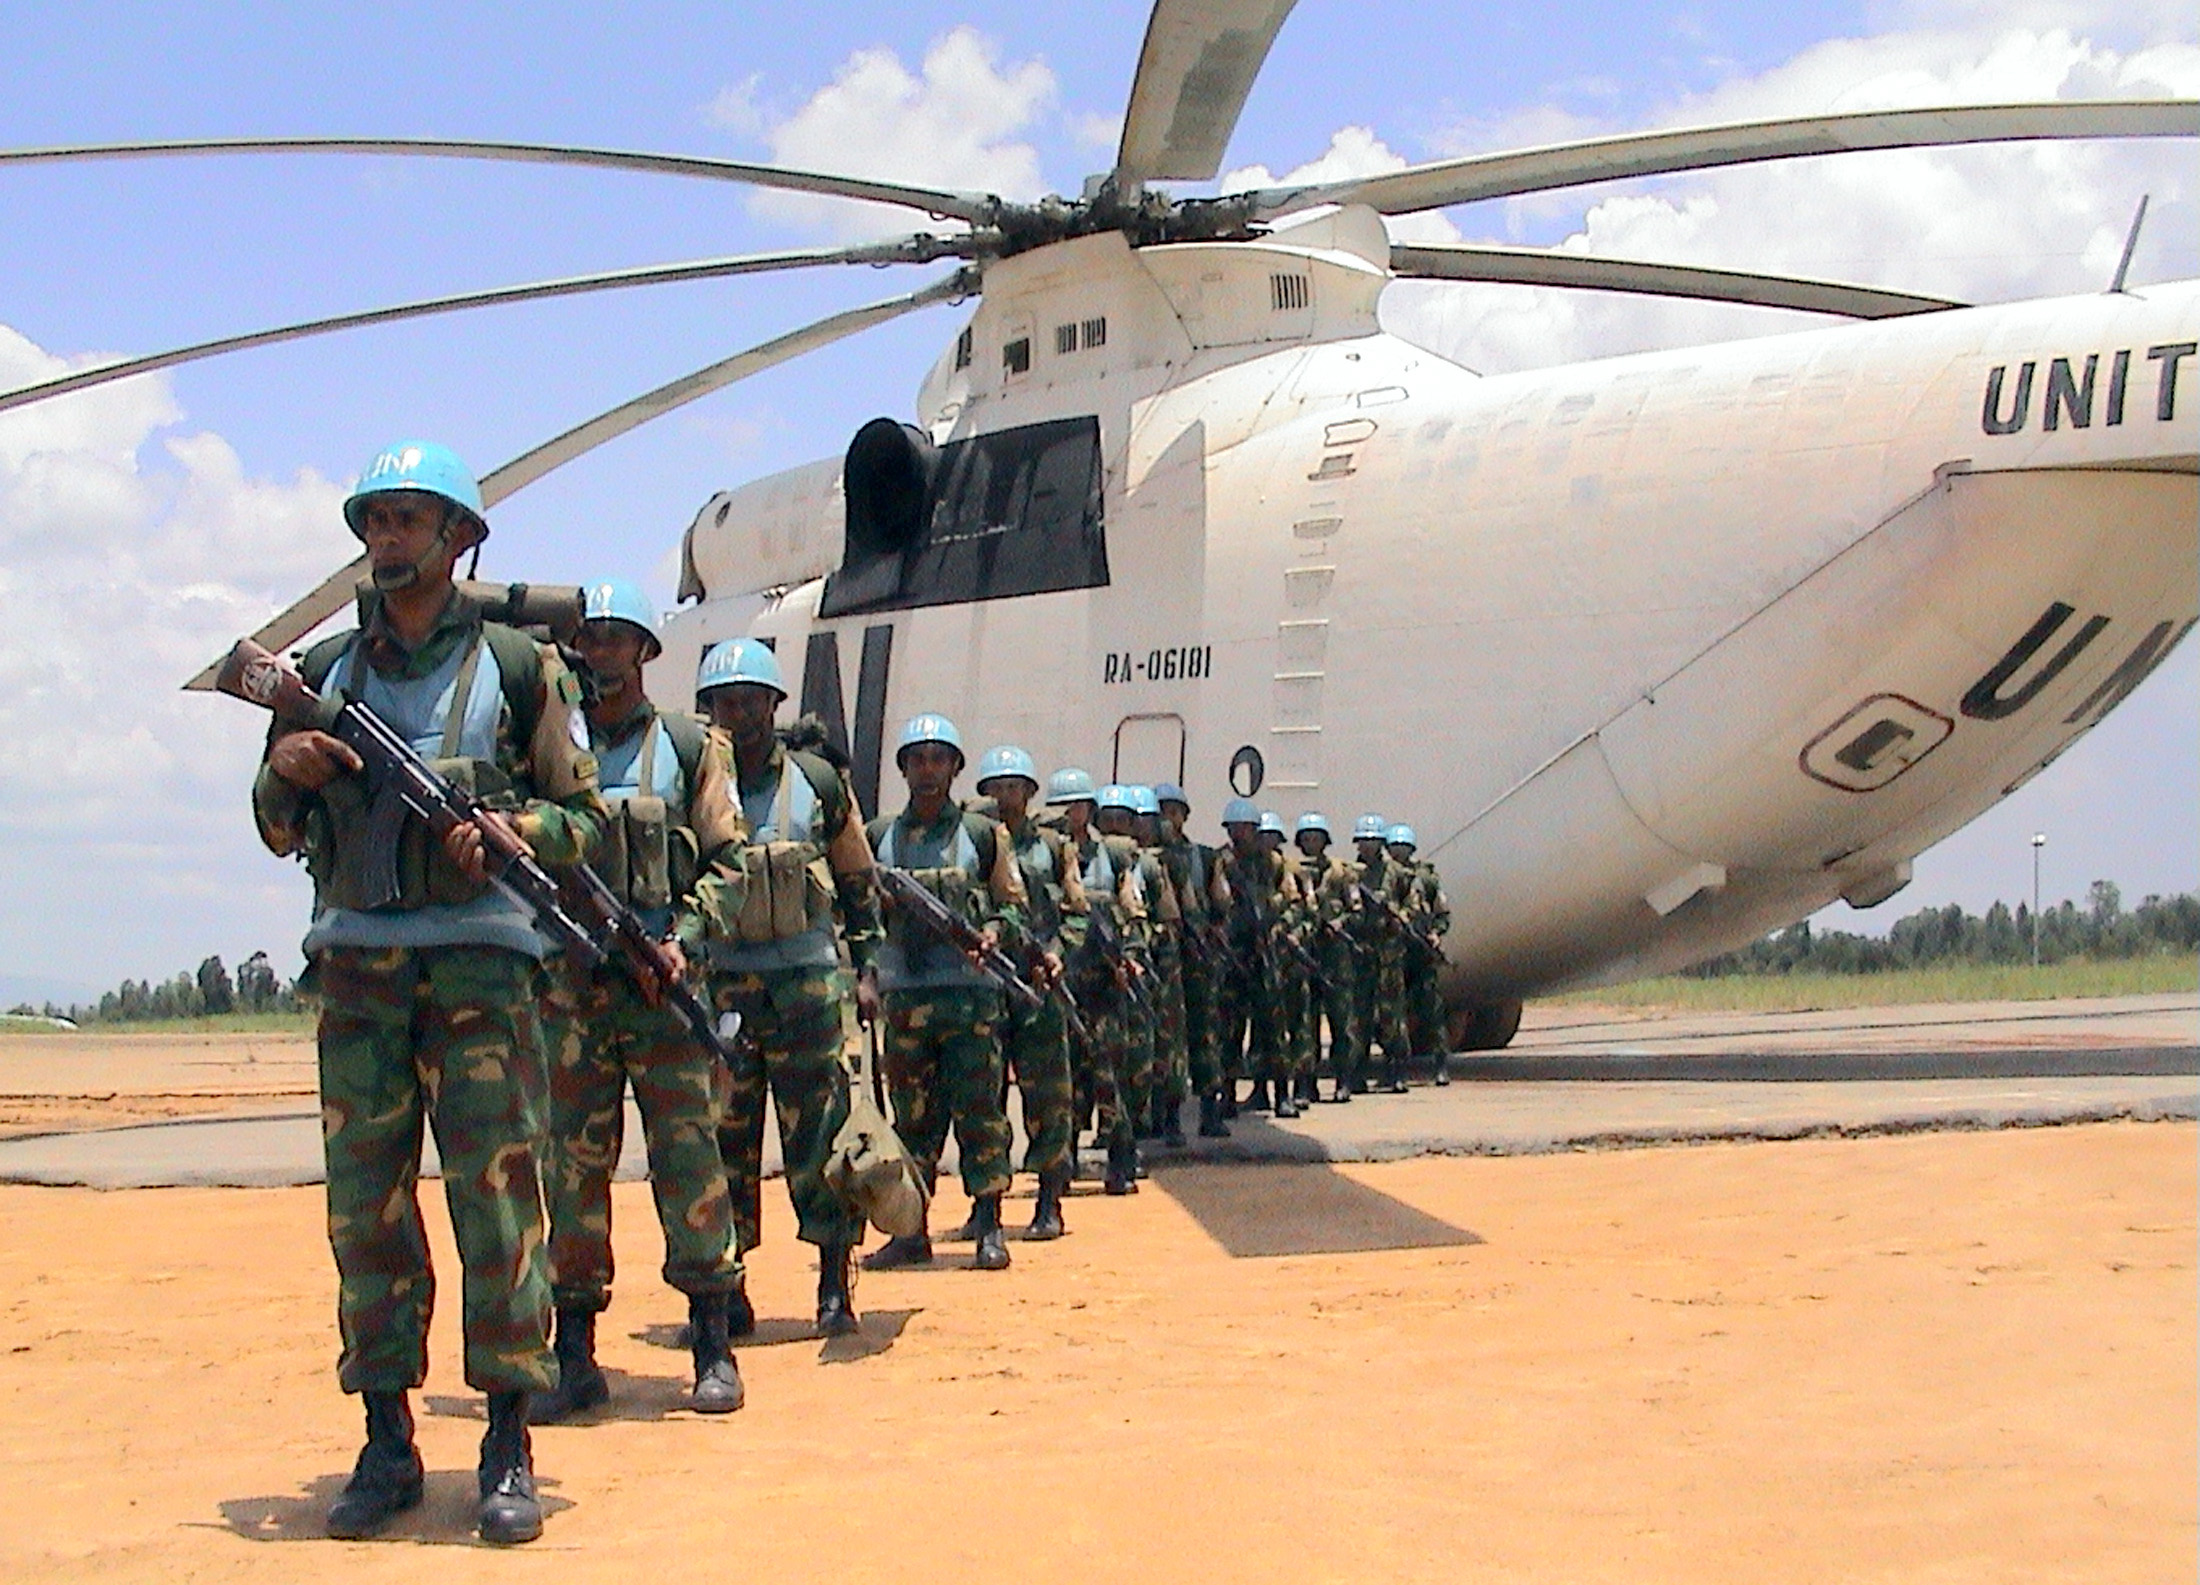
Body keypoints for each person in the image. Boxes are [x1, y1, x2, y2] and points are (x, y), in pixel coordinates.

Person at [250, 440, 605, 1545]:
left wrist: (512, 831)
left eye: (410, 521)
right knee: (368, 1212)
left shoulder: (518, 666)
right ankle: (387, 1436)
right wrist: (286, 768)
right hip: (357, 969)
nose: (386, 540)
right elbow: (274, 829)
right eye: (376, 520)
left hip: (481, 972)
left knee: (498, 1202)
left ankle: (506, 1435)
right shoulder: (329, 674)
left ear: (461, 540)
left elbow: (582, 821)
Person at [531, 580, 744, 1424]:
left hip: (663, 989)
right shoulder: (550, 743)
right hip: (573, 991)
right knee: (572, 1172)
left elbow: (728, 861)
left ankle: (711, 1341)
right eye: (590, 638)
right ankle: (575, 1351)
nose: (602, 653)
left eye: (619, 639)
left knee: (689, 1161)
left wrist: (681, 944)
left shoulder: (692, 747)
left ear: (646, 652)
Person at [682, 637, 881, 1336]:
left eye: (750, 700)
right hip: (727, 989)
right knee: (723, 1144)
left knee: (820, 1138)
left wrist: (868, 964)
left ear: (774, 704)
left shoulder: (820, 783)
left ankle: (834, 1284)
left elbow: (856, 876)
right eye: (724, 703)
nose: (739, 714)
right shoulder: (696, 783)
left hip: (807, 989)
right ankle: (727, 1291)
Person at [863, 715, 1030, 1271]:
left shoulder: (982, 836)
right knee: (912, 1120)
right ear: (904, 768)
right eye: (917, 759)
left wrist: (992, 935)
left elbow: (1011, 903)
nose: (928, 770)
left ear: (956, 768)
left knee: (980, 1110)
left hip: (970, 997)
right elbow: (857, 909)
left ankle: (988, 1221)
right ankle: (911, 1229)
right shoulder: (879, 836)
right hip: (906, 999)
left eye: (939, 759)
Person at [974, 745, 1083, 1237]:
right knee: (983, 1096)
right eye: (996, 788)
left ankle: (1048, 1199)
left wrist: (1060, 951)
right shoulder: (975, 840)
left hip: (1039, 981)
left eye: (1013, 787)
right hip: (988, 982)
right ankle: (986, 1204)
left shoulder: (1055, 849)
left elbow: (1077, 912)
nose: (1005, 796)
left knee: (1048, 1094)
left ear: (1030, 793)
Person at [1048, 768, 1149, 1193]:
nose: (1070, 814)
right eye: (1062, 807)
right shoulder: (1048, 854)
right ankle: (1062, 1162)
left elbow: (1133, 911)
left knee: (1109, 1073)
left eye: (1077, 806)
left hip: (1106, 984)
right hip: (1063, 979)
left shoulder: (1115, 857)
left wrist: (1131, 956)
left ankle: (1121, 1160)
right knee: (1065, 1077)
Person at [1153, 784, 1231, 1137]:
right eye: (1161, 811)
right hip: (1164, 958)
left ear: (1185, 815)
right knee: (1167, 1037)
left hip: (1199, 957)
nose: (1168, 818)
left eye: (1173, 810)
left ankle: (1210, 1110)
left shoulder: (1204, 856)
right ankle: (1168, 1114)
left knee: (1205, 1032)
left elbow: (1221, 903)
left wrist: (1214, 932)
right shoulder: (1148, 858)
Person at [1212, 799, 1298, 1118]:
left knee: (1273, 1029)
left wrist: (1273, 918)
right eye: (1234, 829)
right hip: (1235, 953)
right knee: (1230, 1030)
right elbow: (1216, 899)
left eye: (1244, 828)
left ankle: (1281, 1095)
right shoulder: (1222, 861)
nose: (1239, 834)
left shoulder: (1272, 862)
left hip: (1264, 951)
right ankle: (1228, 1095)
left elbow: (1291, 898)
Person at [1294, 813, 1365, 1103]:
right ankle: (1305, 1082)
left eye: (1316, 837)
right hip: (1307, 954)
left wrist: (1342, 923)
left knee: (1342, 1021)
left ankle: (1343, 1080)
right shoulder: (1294, 872)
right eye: (1307, 838)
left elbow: (1357, 910)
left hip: (1336, 958)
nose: (1312, 843)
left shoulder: (1341, 873)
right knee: (1305, 1022)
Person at [1350, 813, 1415, 1093]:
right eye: (1363, 842)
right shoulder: (1350, 873)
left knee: (1391, 1013)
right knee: (1361, 1014)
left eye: (1372, 842)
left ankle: (1396, 1068)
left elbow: (1414, 904)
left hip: (1388, 951)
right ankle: (1358, 1071)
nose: (1367, 847)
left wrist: (1398, 916)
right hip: (1362, 949)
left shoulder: (1397, 874)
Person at [1387, 825, 1453, 1084]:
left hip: (1421, 953)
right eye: (1394, 848)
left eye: (1403, 849)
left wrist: (1436, 933)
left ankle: (1440, 1064)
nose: (1398, 853)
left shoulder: (1426, 879)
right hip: (1395, 952)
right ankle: (1397, 1066)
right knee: (1394, 1013)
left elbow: (1443, 913)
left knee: (1432, 1011)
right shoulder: (1383, 878)